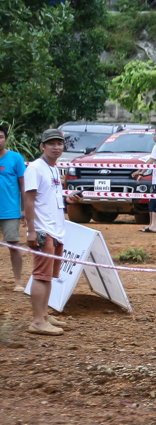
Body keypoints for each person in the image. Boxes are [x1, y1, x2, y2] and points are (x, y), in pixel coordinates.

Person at [23, 129, 83, 335]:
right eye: (51, 143)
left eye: (59, 143)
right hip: (43, 230)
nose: (56, 147)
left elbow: (50, 198)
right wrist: (31, 231)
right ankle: (37, 321)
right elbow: (29, 201)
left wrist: (68, 199)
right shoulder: (35, 168)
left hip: (56, 229)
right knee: (41, 275)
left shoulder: (54, 169)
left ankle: (44, 315)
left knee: (49, 276)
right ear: (42, 146)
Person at [0, 124, 26, 292]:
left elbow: (23, 185)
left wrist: (24, 209)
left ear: (5, 139)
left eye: (1, 137)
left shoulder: (16, 158)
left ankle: (18, 281)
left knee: (14, 245)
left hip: (10, 210)